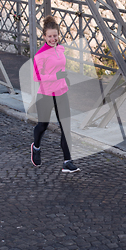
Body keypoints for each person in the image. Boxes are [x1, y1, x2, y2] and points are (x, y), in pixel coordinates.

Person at [30, 15, 80, 173]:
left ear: (59, 35)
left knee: (66, 126)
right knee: (43, 125)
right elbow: (37, 77)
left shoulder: (60, 49)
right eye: (50, 36)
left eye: (55, 36)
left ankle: (67, 162)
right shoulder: (40, 54)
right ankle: (36, 147)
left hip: (61, 92)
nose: (53, 39)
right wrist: (56, 77)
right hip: (45, 95)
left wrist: (64, 78)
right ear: (44, 36)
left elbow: (60, 67)